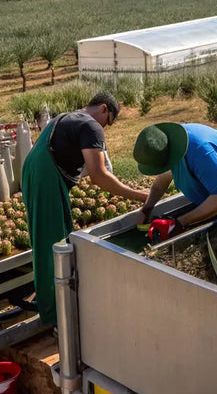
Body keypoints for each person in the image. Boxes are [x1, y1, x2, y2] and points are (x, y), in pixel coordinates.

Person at [22, 92, 148, 326]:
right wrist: (139, 195)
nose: (105, 128)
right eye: (107, 121)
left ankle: (58, 306)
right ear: (103, 108)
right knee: (54, 245)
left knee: (52, 240)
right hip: (46, 177)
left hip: (37, 172)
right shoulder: (91, 126)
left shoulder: (68, 117)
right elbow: (98, 177)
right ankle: (56, 316)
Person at [133, 122, 217, 241]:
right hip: (216, 195)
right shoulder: (168, 147)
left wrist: (179, 223)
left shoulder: (201, 151)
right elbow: (160, 184)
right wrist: (147, 209)